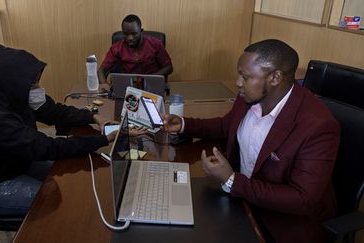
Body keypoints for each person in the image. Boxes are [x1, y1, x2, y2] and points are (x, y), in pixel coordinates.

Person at [162, 39, 340, 243]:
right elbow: (226, 126)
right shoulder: (250, 95)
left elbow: (303, 200)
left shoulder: (318, 126)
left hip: (284, 223)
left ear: (275, 77)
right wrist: (185, 124)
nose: (238, 82)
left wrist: (232, 180)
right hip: (243, 201)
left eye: (245, 76)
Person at [0, 44, 117, 217]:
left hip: (13, 162)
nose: (38, 88)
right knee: (51, 201)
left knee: (69, 177)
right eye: (33, 83)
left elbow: (56, 112)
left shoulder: (16, 95)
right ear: (14, 83)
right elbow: (47, 148)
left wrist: (94, 118)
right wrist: (104, 140)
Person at [97, 14, 173, 89]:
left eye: (134, 34)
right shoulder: (117, 48)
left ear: (141, 31)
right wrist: (105, 85)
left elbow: (169, 67)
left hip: (151, 86)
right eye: (126, 34)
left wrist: (153, 77)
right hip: (127, 87)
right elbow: (101, 70)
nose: (130, 38)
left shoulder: (155, 44)